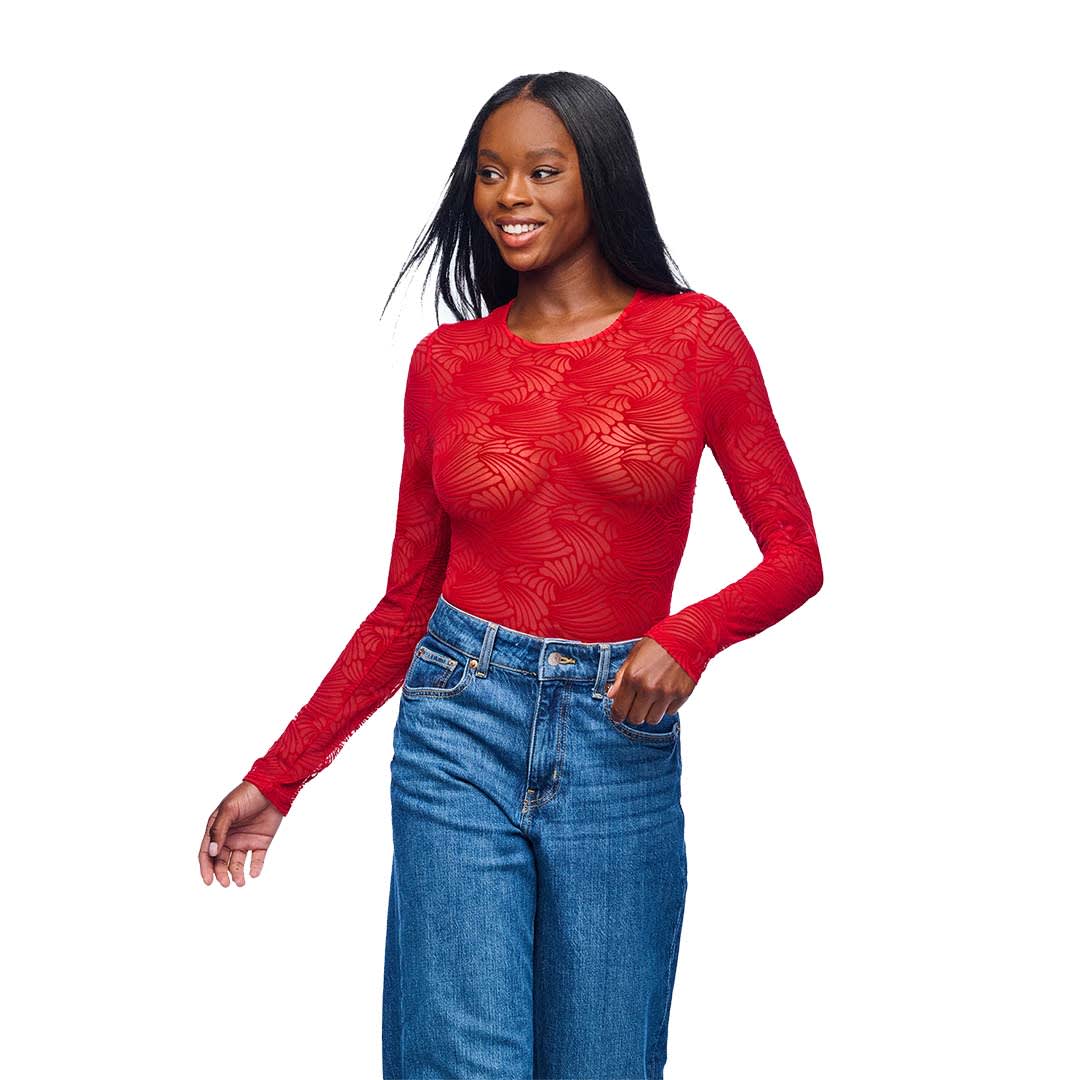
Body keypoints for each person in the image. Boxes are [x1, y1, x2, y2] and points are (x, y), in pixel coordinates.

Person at [199, 71, 823, 1079]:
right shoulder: (447, 364)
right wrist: (280, 776)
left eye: (541, 170)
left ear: (599, 179)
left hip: (619, 738)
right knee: (464, 1064)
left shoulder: (697, 340)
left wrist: (690, 634)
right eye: (490, 174)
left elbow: (796, 553)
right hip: (461, 719)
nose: (510, 196)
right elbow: (408, 600)